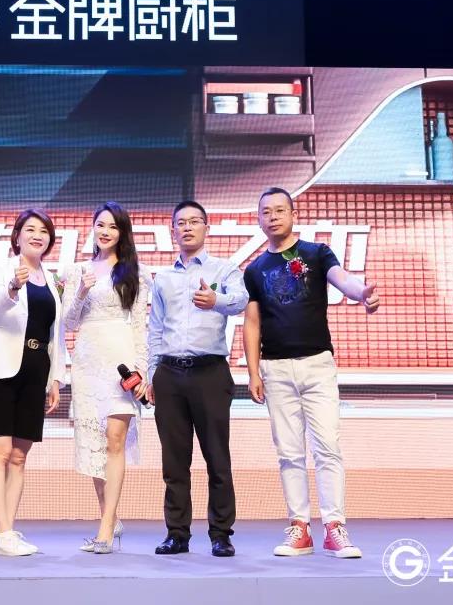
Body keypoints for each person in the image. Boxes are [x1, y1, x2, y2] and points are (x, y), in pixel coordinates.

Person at [243, 187, 380, 559]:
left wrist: (361, 293)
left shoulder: (317, 253)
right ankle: (299, 529)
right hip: (275, 368)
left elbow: (343, 279)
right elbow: (252, 323)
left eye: (279, 210)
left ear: (293, 214)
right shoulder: (254, 270)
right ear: (259, 219)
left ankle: (335, 527)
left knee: (327, 448)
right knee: (289, 452)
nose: (273, 217)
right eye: (266, 212)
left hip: (317, 365)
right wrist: (253, 372)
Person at [146, 200, 249, 557]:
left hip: (210, 372)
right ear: (172, 231)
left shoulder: (225, 268)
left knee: (217, 458)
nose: (187, 227)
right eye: (181, 223)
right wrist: (152, 374)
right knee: (175, 461)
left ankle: (221, 534)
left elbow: (241, 301)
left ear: (207, 227)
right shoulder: (163, 278)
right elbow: (155, 329)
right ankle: (177, 534)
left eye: (194, 221)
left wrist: (215, 300)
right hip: (169, 374)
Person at [0, 208, 66, 557]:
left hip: (36, 369)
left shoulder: (52, 279)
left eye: (44, 231)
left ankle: (7, 531)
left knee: (20, 456)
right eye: (30, 229)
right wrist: (13, 286)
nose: (37, 235)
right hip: (0, 368)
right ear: (18, 236)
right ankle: (3, 531)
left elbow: (56, 333)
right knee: (0, 450)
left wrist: (56, 379)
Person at [63, 201, 150, 554]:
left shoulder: (135, 274)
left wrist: (142, 370)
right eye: (101, 224)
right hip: (87, 362)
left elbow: (140, 326)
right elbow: (69, 323)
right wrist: (81, 291)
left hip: (120, 361)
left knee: (115, 440)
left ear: (122, 232)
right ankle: (110, 518)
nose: (105, 231)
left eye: (113, 226)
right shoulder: (78, 271)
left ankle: (105, 530)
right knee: (98, 444)